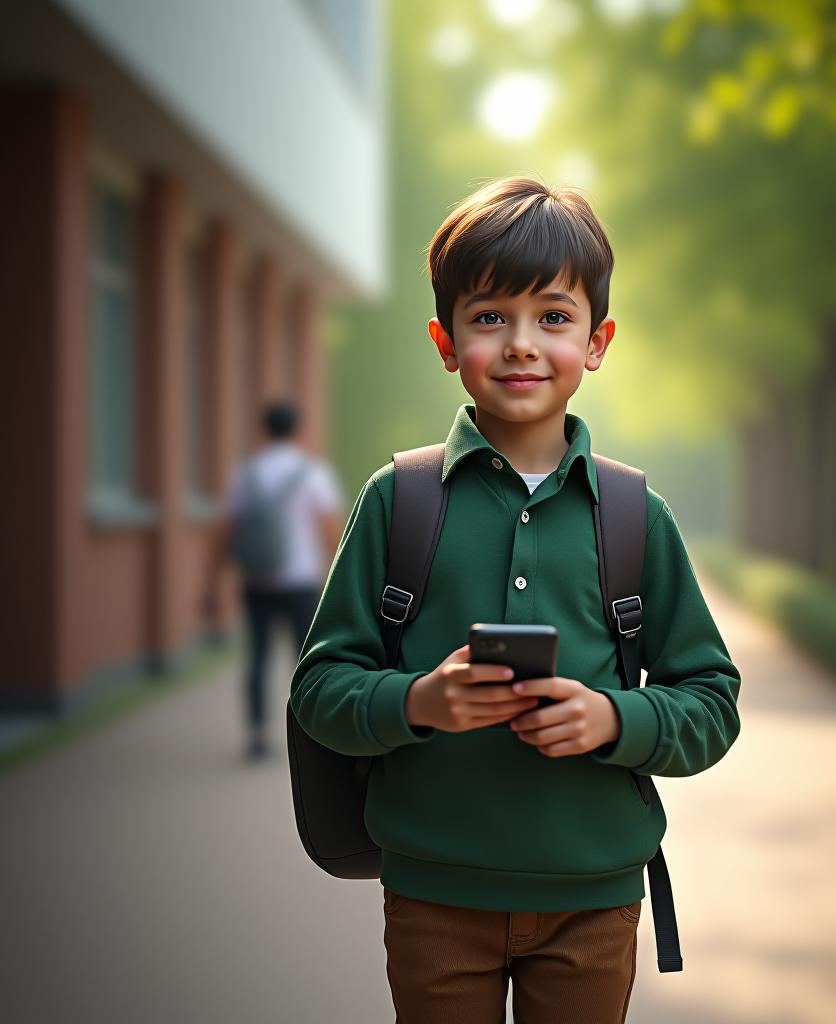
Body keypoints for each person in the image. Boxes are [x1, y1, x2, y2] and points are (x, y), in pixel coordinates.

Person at [290, 178, 741, 1022]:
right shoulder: (400, 499)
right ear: (445, 339)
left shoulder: (638, 515)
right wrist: (420, 700)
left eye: (555, 318)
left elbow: (713, 703)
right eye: (490, 316)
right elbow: (319, 690)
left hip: (595, 901)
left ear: (598, 341)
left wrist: (615, 721)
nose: (522, 344)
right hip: (433, 896)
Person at [203, 400, 346, 761]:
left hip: (257, 581)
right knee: (307, 659)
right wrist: (342, 581)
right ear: (297, 430)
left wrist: (212, 582)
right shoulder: (313, 472)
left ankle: (257, 735)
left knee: (258, 657)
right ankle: (311, 730)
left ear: (264, 430)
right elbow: (332, 531)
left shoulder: (247, 474)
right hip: (301, 582)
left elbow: (225, 531)